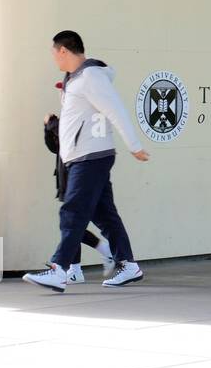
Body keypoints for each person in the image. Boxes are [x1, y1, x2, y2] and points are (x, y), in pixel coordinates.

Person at [24, 31, 149, 293]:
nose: (54, 60)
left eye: (54, 54)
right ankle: (129, 266)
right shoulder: (73, 80)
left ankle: (59, 270)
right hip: (84, 157)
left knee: (72, 212)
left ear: (63, 51)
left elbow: (116, 109)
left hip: (90, 157)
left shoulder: (91, 77)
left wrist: (134, 146)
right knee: (105, 216)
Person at [43, 112, 116, 282]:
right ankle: (76, 269)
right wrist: (47, 129)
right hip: (66, 176)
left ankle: (102, 252)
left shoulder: (76, 117)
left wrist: (51, 123)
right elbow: (55, 147)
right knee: (70, 224)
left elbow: (68, 132)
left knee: (72, 223)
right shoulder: (66, 116)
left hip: (78, 176)